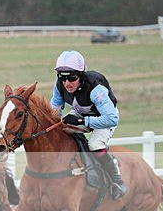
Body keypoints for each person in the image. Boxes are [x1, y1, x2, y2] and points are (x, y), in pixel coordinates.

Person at [51, 50, 127, 200]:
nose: (67, 83)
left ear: (81, 75)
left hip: (104, 117)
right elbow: (55, 110)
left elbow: (111, 119)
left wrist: (82, 122)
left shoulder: (95, 88)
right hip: (82, 113)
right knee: (60, 132)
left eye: (71, 77)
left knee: (95, 145)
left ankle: (117, 181)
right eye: (62, 77)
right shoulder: (60, 85)